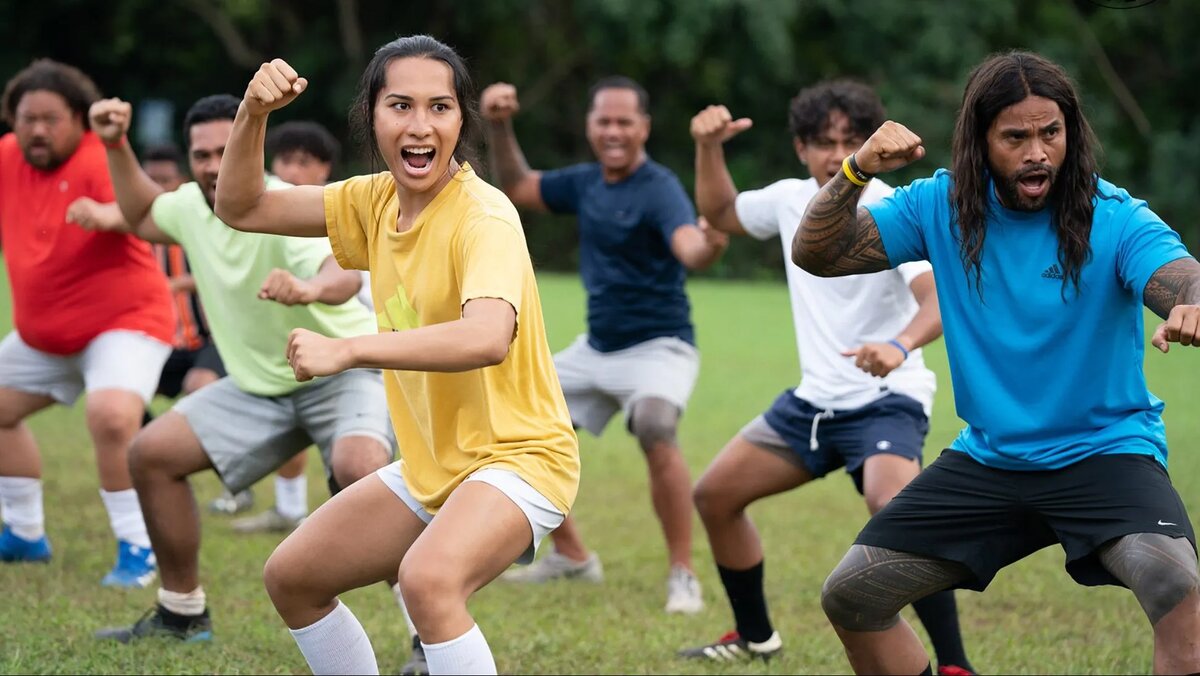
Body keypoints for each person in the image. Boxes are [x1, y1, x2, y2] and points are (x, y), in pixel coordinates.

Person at [794, 51, 1200, 675]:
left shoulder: (1113, 215)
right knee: (851, 594)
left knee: (1174, 581)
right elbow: (818, 253)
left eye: (1051, 133)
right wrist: (855, 170)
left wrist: (1192, 304)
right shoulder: (940, 206)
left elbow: (1180, 276)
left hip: (1105, 452)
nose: (1038, 152)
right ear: (980, 143)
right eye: (1016, 137)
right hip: (990, 459)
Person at [214, 35, 580, 675]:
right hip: (432, 465)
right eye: (400, 105)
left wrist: (349, 349)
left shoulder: (483, 217)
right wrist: (252, 115)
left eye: (440, 107)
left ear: (461, 118)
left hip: (522, 458)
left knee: (429, 582)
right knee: (293, 577)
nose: (420, 126)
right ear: (371, 116)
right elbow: (241, 206)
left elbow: (486, 336)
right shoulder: (374, 201)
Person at [675, 81, 975, 674]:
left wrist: (899, 343)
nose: (835, 153)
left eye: (849, 141)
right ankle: (755, 636)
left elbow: (936, 297)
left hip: (887, 399)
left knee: (894, 508)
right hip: (814, 404)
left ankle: (955, 664)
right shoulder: (790, 199)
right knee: (714, 495)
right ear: (800, 148)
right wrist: (708, 148)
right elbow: (720, 213)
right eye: (823, 142)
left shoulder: (892, 206)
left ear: (873, 146)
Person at [81, 93, 398, 649]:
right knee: (151, 455)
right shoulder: (185, 205)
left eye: (225, 151)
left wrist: (308, 289)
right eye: (201, 153)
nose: (211, 165)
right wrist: (114, 144)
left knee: (362, 467)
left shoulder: (281, 204)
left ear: (251, 149)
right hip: (259, 387)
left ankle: (427, 633)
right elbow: (138, 214)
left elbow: (342, 275)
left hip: (340, 368)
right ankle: (182, 614)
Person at [480, 77, 727, 614]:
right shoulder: (587, 182)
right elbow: (520, 186)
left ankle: (683, 573)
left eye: (624, 122)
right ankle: (571, 556)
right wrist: (499, 124)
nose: (613, 131)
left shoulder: (659, 187)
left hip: (659, 348)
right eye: (604, 122)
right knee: (513, 421)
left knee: (656, 426)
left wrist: (708, 245)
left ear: (644, 127)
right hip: (596, 349)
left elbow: (689, 247)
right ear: (590, 126)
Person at [0, 59, 173, 588]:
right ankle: (25, 534)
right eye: (27, 118)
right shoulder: (8, 157)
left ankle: (139, 548)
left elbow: (148, 209)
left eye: (50, 118)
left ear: (78, 119)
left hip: (124, 323)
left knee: (113, 417)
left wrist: (109, 216)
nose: (36, 130)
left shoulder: (103, 158)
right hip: (45, 335)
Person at [221, 120, 347, 536]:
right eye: (285, 161)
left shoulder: (339, 209)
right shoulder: (268, 213)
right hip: (298, 342)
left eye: (304, 162)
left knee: (355, 452)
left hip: (359, 342)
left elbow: (347, 279)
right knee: (294, 406)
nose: (292, 172)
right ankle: (291, 508)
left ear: (325, 169)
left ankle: (351, 520)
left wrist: (311, 287)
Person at [140, 143, 227, 410]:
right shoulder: (137, 231)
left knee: (199, 384)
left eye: (165, 180)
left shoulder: (206, 223)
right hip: (161, 340)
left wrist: (176, 284)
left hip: (209, 339)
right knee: (122, 387)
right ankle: (148, 445)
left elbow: (225, 276)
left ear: (182, 181)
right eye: (150, 181)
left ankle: (199, 449)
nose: (157, 188)